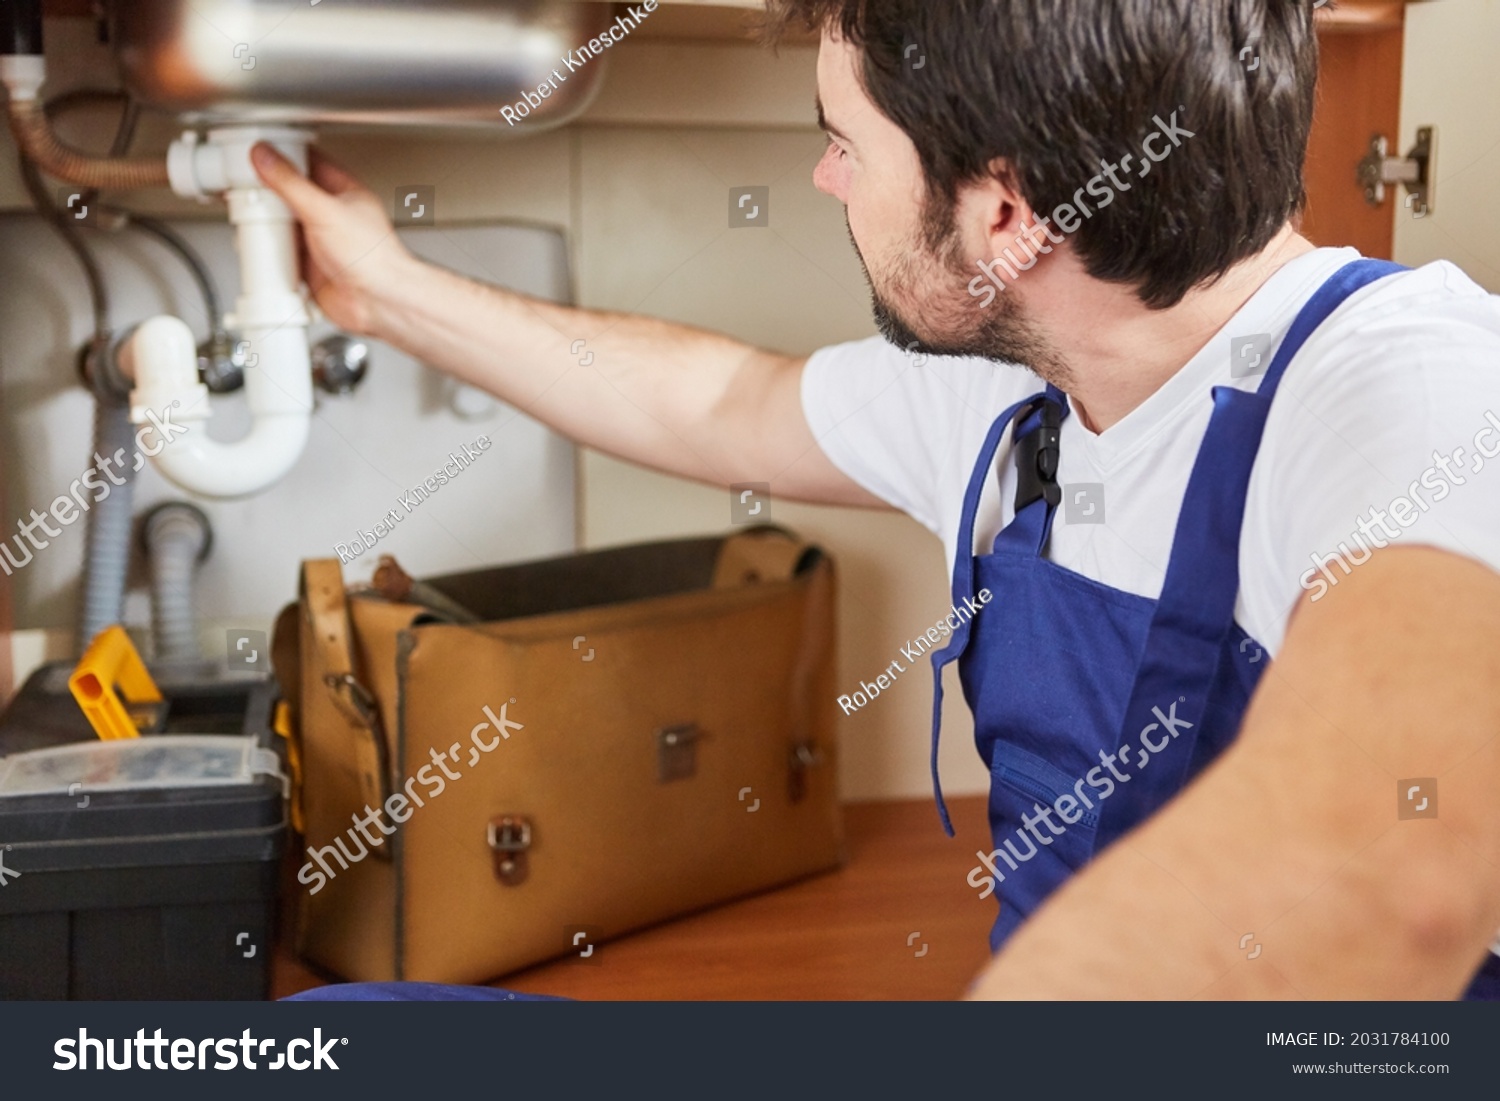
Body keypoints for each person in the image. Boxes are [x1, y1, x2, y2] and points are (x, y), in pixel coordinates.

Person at [249, 0, 1500, 1000]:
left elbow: (1398, 870)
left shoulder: (1412, 389)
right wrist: (387, 293)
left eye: (846, 144)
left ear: (1003, 212)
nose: (824, 180)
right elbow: (721, 405)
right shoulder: (1029, 381)